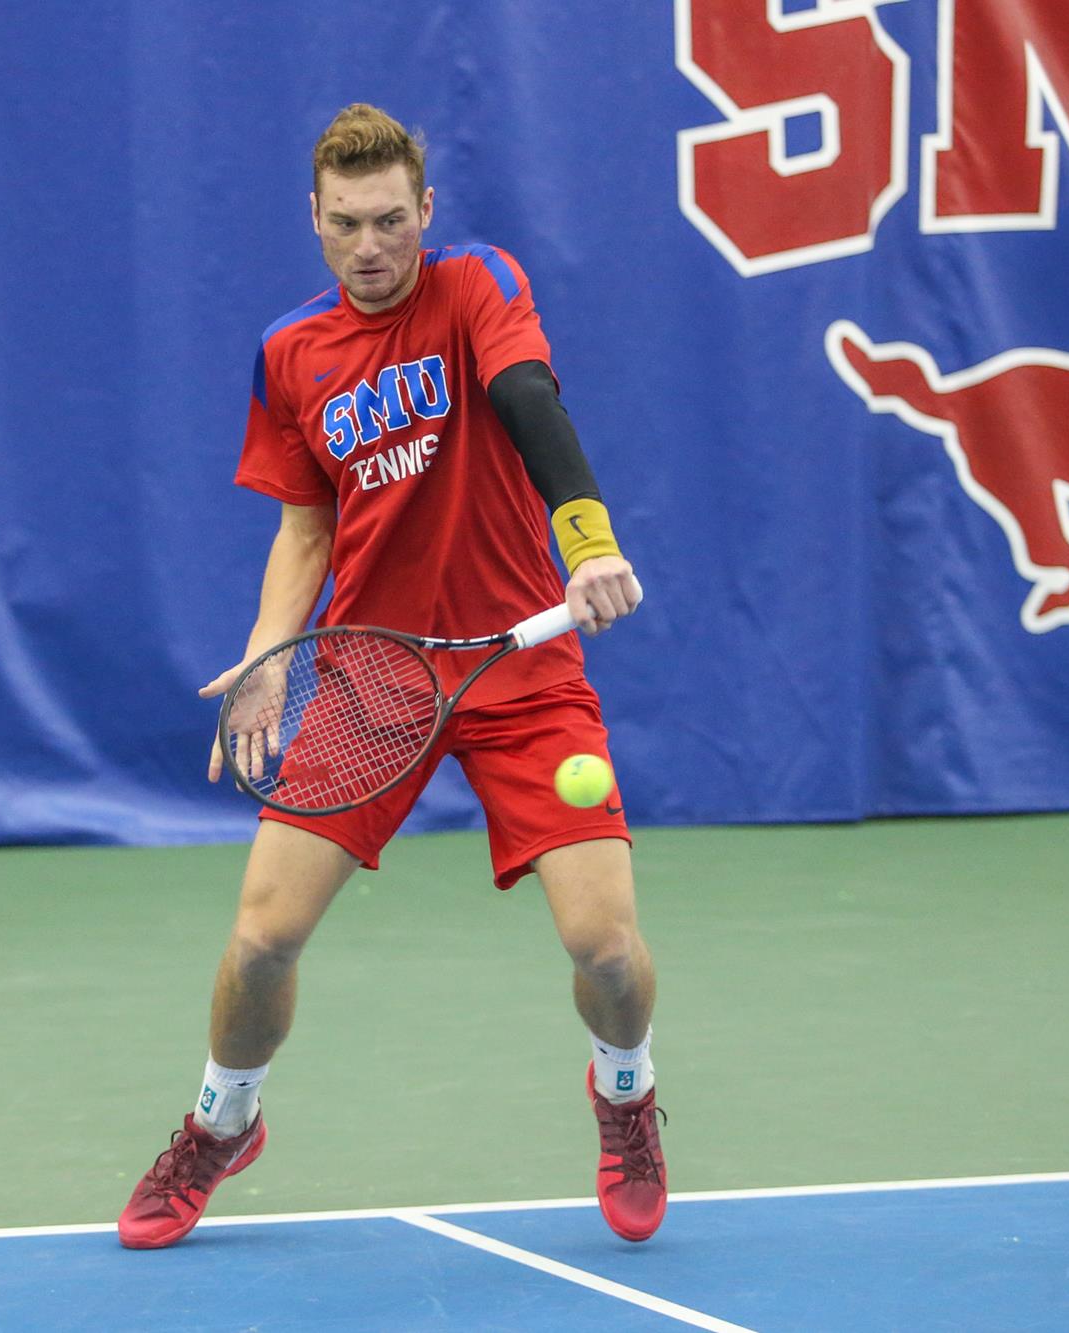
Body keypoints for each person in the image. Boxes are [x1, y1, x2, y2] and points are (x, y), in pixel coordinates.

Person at [119, 104, 661, 1249]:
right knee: (260, 937)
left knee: (605, 948)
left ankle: (624, 1093)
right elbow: (305, 526)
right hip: (373, 675)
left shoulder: (475, 286)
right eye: (346, 223)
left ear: (425, 211)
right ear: (312, 219)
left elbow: (527, 398)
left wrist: (586, 539)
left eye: (389, 221)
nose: (369, 246)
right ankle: (222, 1120)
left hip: (523, 663)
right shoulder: (290, 352)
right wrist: (269, 656)